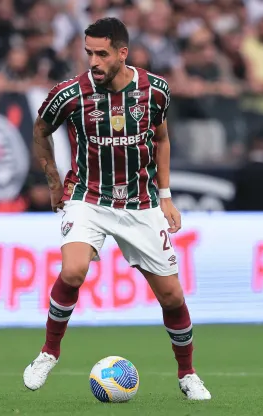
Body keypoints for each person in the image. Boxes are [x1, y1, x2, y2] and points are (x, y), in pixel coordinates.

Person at [23, 18, 211, 401]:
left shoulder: (155, 90)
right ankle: (48, 352)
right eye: (89, 52)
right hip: (88, 197)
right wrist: (55, 182)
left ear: (122, 53)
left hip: (140, 204)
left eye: (102, 53)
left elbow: (160, 138)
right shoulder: (70, 93)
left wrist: (166, 195)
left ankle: (188, 374)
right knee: (73, 270)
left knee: (172, 297)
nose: (94, 60)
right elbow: (41, 130)